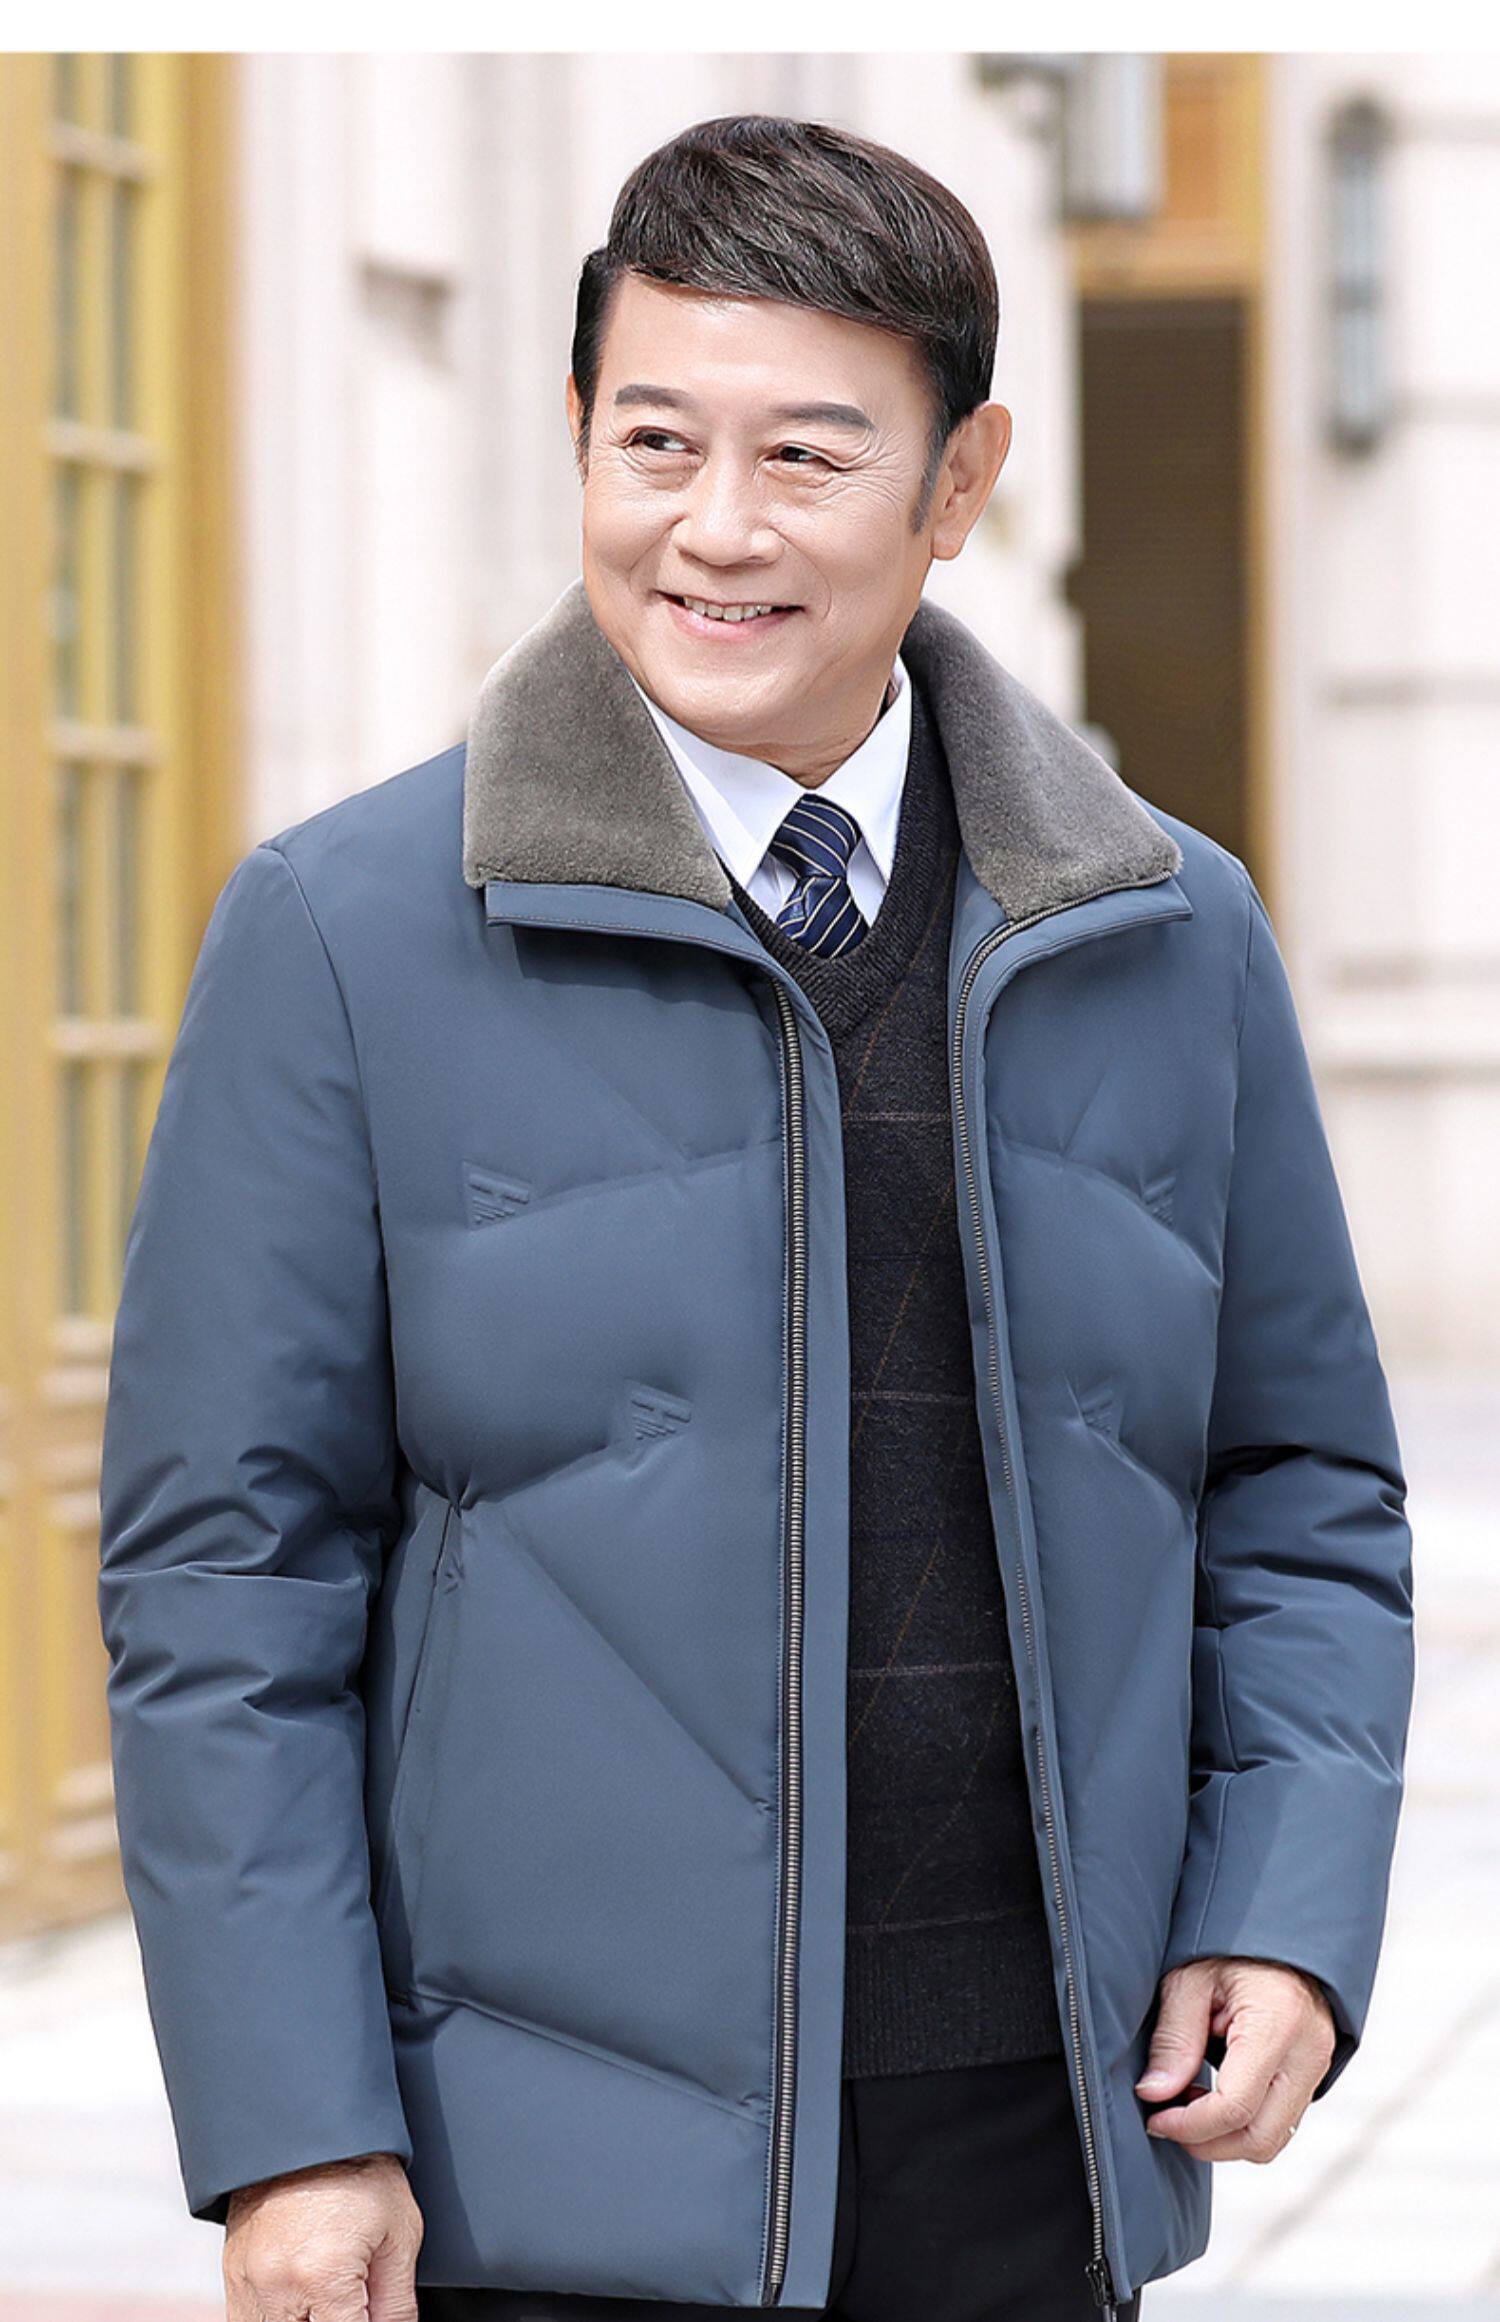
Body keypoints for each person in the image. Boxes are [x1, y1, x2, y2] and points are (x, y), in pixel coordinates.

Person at [97, 114, 1415, 2322]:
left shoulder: (1167, 933)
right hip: (534, 2185)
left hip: (1038, 2137)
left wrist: (1285, 1908)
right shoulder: (343, 934)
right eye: (654, 443)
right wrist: (293, 2123)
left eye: (806, 455)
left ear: (960, 482)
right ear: (580, 441)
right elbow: (228, 1572)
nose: (714, 528)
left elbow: (1300, 1489)